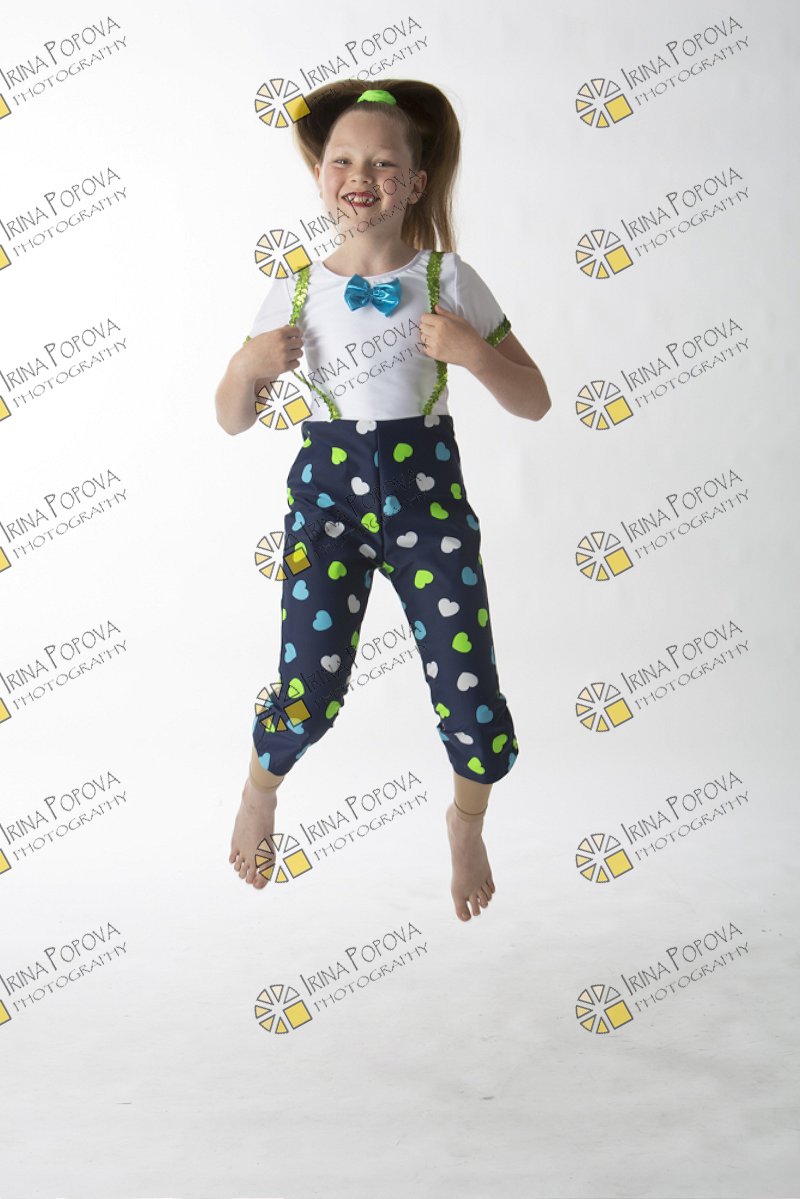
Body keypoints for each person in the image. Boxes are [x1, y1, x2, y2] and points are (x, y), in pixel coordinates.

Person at [215, 79, 551, 922]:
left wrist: (474, 353)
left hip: (428, 503)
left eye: (382, 163)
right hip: (327, 507)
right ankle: (259, 791)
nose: (360, 176)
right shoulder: (296, 289)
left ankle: (466, 821)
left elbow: (536, 399)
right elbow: (231, 418)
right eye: (342, 161)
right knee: (309, 687)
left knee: (470, 691)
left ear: (415, 182)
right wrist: (246, 367)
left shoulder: (448, 277)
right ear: (319, 176)